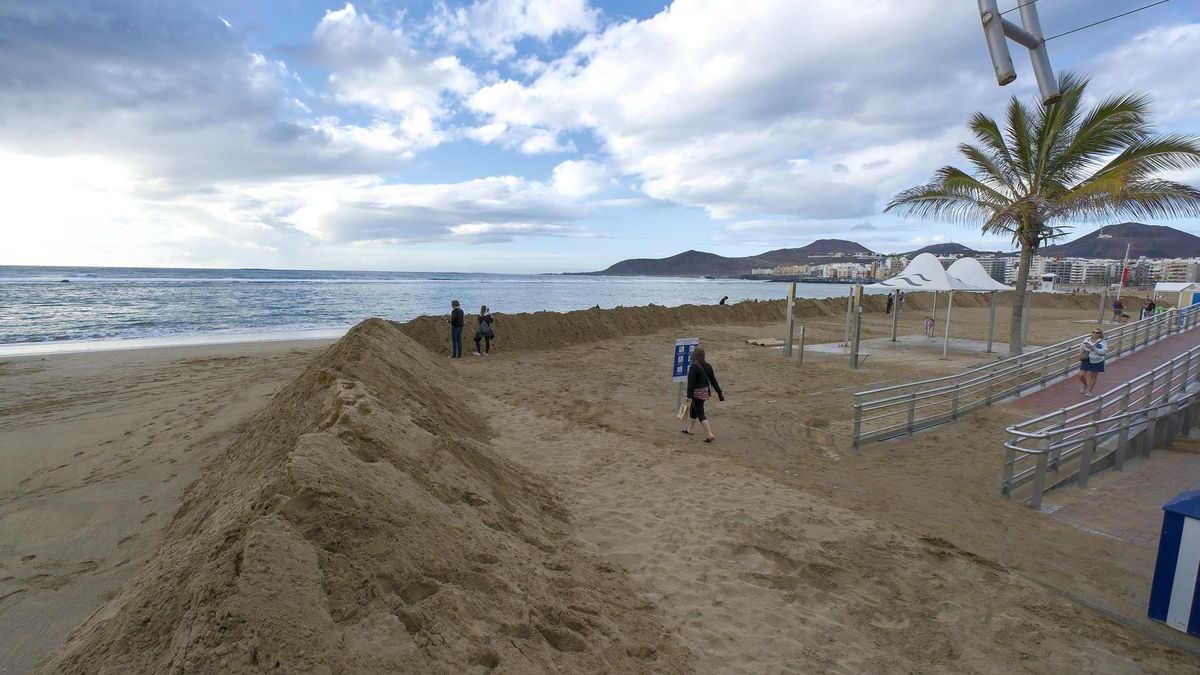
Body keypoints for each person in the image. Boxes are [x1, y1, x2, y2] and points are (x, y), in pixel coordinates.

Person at [681, 346, 724, 442]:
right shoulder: (708, 366)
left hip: (697, 394)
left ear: (694, 355)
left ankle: (709, 434)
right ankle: (690, 429)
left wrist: (688, 396)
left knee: (700, 413)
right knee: (693, 409)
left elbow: (691, 383)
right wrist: (719, 392)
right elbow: (713, 380)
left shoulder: (693, 367)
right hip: (705, 393)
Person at [1078, 329, 1107, 396]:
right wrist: (1082, 350)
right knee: (1081, 375)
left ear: (1100, 334)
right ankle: (1085, 385)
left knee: (1093, 376)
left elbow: (1104, 352)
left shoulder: (1103, 342)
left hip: (1097, 360)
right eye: (1094, 332)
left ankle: (1089, 391)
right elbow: (1081, 347)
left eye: (1097, 332)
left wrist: (1094, 349)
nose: (1095, 334)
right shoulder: (1087, 339)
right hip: (1086, 358)